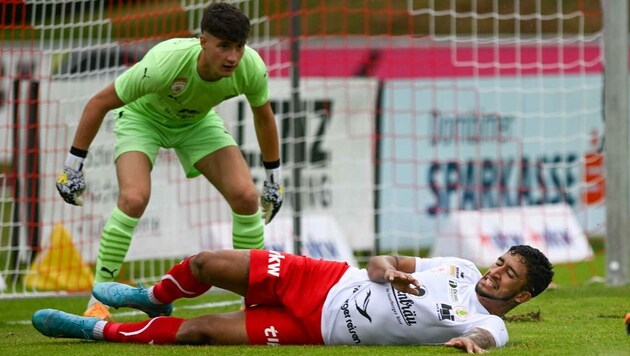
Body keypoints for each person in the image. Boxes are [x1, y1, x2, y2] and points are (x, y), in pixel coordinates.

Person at [54, 2, 283, 321]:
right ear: (203, 41)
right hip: (142, 119)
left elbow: (264, 118)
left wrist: (274, 177)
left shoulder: (251, 68)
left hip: (197, 124)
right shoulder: (164, 63)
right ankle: (98, 300)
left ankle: (255, 301)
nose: (233, 57)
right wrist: (72, 167)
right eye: (224, 46)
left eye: (239, 47)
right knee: (133, 199)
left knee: (246, 198)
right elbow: (99, 103)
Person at [32, 245, 554, 353]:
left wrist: (471, 343)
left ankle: (92, 330)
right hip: (321, 280)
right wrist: (391, 273)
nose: (494, 273)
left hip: (317, 331)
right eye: (499, 263)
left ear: (522, 294)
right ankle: (151, 296)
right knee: (206, 265)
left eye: (507, 277)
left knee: (199, 333)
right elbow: (378, 262)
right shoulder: (458, 266)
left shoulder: (497, 325)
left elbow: (485, 336)